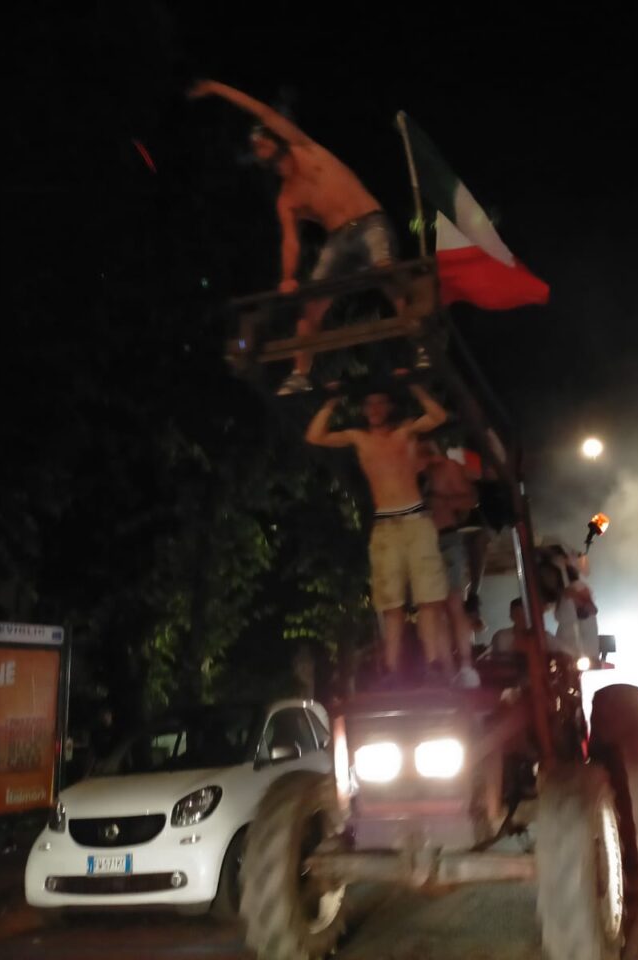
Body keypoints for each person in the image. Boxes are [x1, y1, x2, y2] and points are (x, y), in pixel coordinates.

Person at [188, 79, 405, 395]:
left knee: (386, 271)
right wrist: (288, 277)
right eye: (255, 147)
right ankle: (301, 372)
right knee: (310, 306)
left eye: (261, 141)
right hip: (338, 239)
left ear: (275, 138)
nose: (259, 148)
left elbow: (262, 111)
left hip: (369, 221)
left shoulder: (305, 148)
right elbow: (290, 241)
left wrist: (217, 88)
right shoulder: (286, 198)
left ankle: (418, 340)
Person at [305, 384, 451, 685]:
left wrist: (416, 386)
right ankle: (392, 669)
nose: (374, 409)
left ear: (390, 406)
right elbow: (314, 436)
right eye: (369, 404)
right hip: (385, 525)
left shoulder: (406, 430)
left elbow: (438, 416)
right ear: (362, 409)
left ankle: (434, 664)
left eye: (380, 403)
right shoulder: (359, 437)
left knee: (428, 597)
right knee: (390, 602)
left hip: (415, 519)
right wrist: (331, 402)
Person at [418, 437, 481, 687]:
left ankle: (465, 665)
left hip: (445, 537)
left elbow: (471, 499)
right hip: (421, 543)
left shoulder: (447, 468)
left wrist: (443, 501)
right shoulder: (412, 470)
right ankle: (447, 669)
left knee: (453, 602)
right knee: (434, 609)